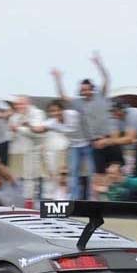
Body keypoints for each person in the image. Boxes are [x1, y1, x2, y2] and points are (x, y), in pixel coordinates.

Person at [51, 52, 120, 193]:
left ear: (92, 89)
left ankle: (105, 196)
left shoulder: (100, 96)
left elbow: (107, 78)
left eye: (87, 90)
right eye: (83, 90)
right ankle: (83, 199)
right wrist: (58, 79)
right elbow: (62, 97)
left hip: (108, 137)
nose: (85, 92)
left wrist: (99, 64)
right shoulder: (78, 103)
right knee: (90, 172)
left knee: (112, 168)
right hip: (92, 142)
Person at [31, 100, 91, 199]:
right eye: (52, 111)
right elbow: (39, 129)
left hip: (87, 143)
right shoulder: (52, 122)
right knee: (73, 172)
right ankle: (74, 199)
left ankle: (87, 199)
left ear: (63, 110)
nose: (55, 113)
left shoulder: (72, 114)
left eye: (57, 110)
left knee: (89, 172)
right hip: (74, 146)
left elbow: (86, 117)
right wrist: (28, 125)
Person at [8, 95, 46, 201]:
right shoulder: (14, 117)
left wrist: (19, 129)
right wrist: (13, 131)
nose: (18, 106)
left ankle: (34, 208)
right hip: (17, 155)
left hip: (34, 154)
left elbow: (37, 134)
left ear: (28, 103)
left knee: (33, 184)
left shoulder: (38, 113)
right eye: (16, 104)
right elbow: (9, 135)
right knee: (19, 184)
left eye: (21, 103)